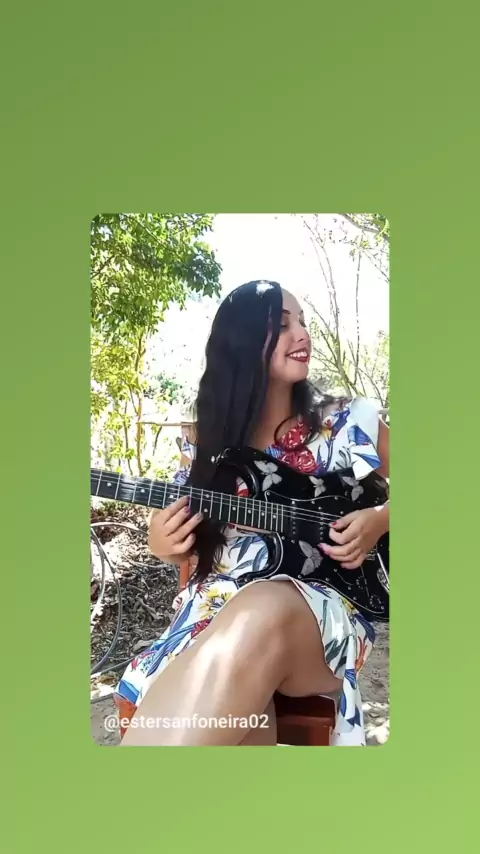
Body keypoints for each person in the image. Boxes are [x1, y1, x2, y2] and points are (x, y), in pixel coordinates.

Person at [115, 280, 390, 746]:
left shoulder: (346, 422)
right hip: (215, 612)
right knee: (235, 702)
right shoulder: (205, 442)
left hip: (321, 613)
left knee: (258, 614)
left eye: (302, 322)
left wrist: (381, 518)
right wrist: (163, 543)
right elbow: (186, 532)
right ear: (242, 340)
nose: (301, 334)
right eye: (281, 324)